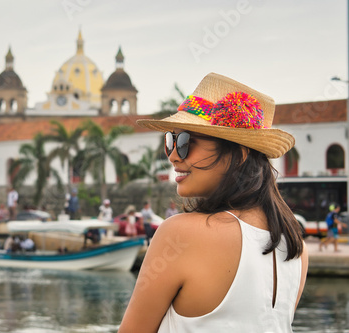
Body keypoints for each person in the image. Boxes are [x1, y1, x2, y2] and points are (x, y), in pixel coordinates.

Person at [119, 73, 308, 332]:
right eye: (170, 141)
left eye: (185, 142)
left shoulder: (180, 234)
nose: (173, 156)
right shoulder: (296, 247)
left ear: (239, 155)